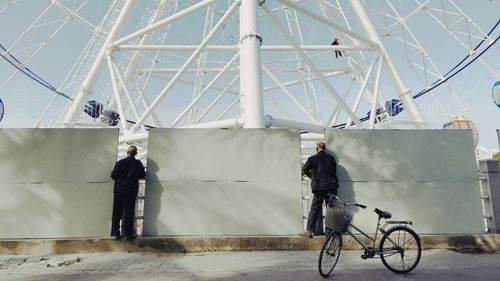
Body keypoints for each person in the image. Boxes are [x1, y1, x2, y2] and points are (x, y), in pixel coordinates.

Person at [299, 142, 339, 238]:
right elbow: (334, 170)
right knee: (331, 209)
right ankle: (329, 233)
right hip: (331, 187)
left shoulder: (312, 158)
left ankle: (309, 231)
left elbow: (304, 169)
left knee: (314, 209)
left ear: (317, 149)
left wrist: (313, 178)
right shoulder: (331, 158)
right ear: (325, 149)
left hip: (319, 189)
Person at [110, 145, 146, 240]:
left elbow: (113, 175)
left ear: (127, 152)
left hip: (119, 190)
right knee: (128, 212)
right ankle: (127, 234)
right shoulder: (137, 163)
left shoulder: (120, 163)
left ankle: (115, 233)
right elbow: (142, 174)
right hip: (130, 190)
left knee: (117, 212)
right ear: (136, 153)